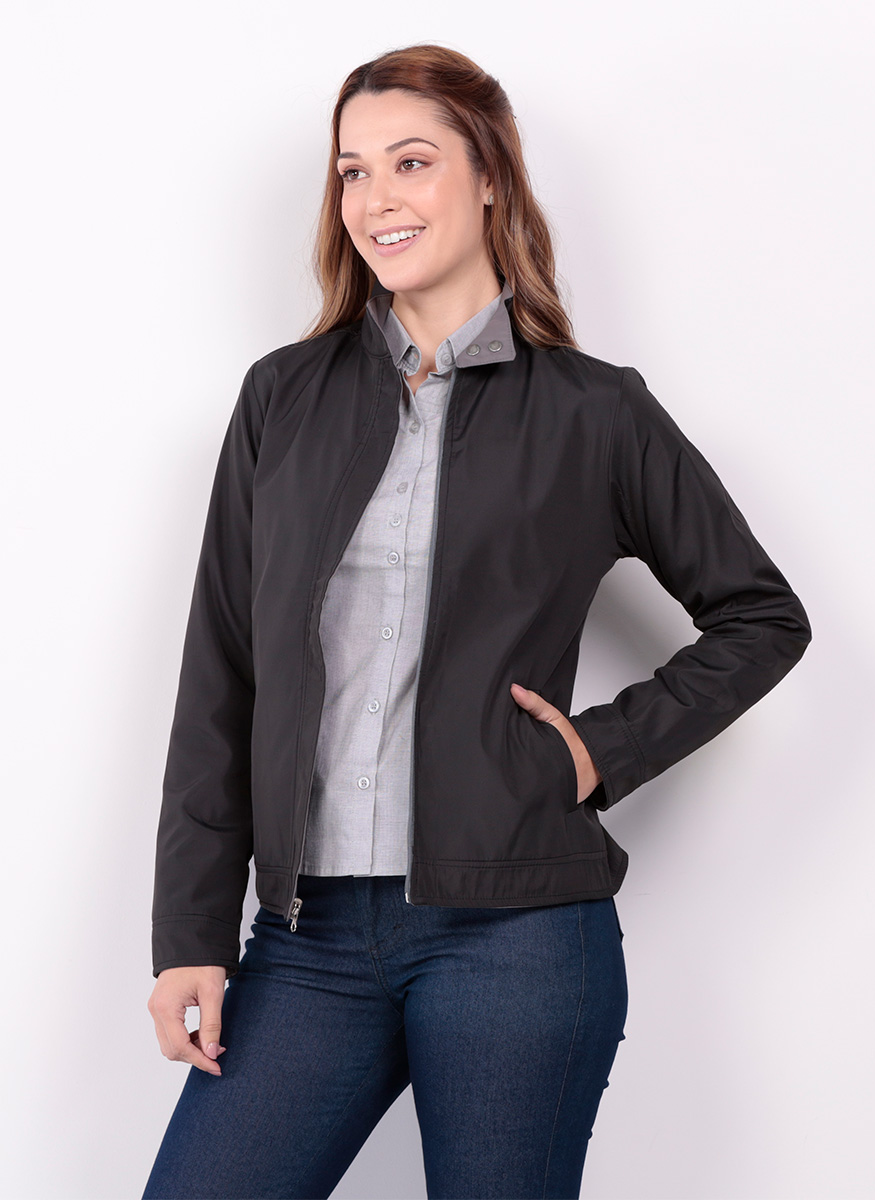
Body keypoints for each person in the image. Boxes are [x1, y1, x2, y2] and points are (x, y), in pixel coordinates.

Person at [142, 43, 812, 1200]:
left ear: (490, 176)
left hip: (516, 936)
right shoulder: (282, 399)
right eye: (352, 172)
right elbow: (223, 674)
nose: (376, 200)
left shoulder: (594, 412)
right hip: (308, 942)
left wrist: (598, 749)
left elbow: (760, 615)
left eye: (411, 162)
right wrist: (189, 932)